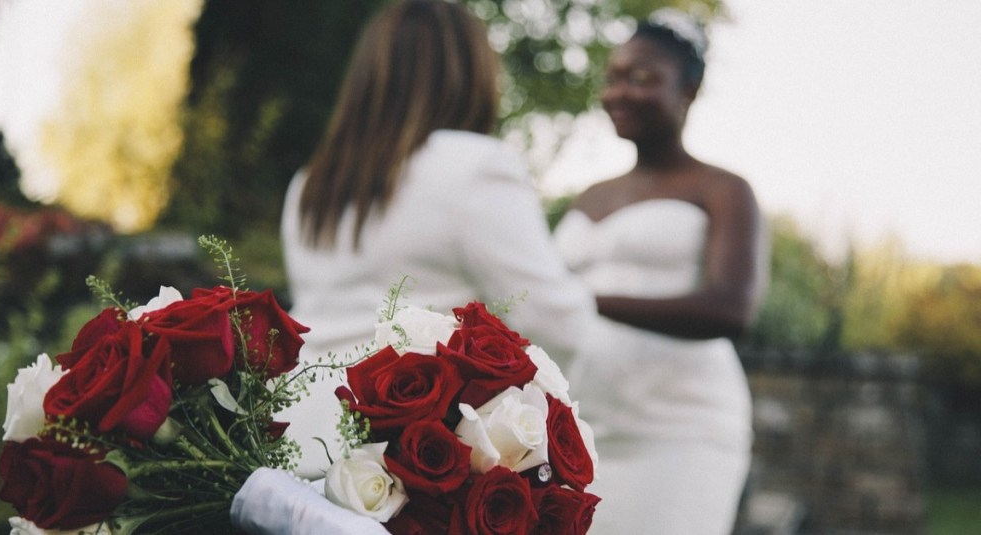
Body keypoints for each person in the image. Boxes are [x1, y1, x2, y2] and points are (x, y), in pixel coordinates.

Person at [275, 0, 611, 483]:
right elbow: (561, 324)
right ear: (470, 74)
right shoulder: (475, 166)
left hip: (295, 448)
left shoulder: (311, 182)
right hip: (406, 468)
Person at [551, 8, 769, 535]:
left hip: (681, 432)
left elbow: (730, 308)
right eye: (614, 77)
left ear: (689, 90)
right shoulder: (589, 196)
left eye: (643, 78)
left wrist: (582, 300)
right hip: (578, 431)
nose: (619, 92)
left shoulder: (722, 189)